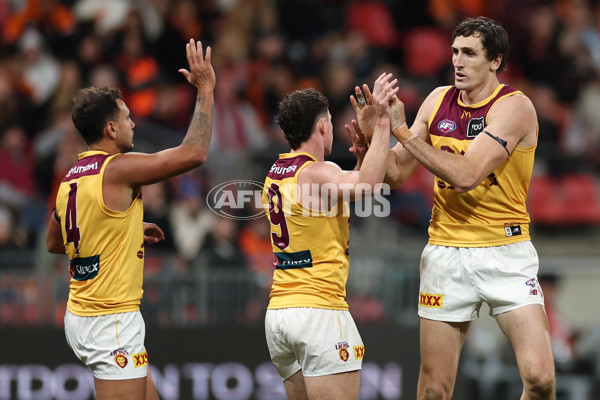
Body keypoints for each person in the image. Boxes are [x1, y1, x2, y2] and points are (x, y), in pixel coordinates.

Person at [352, 17, 556, 400]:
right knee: (433, 390)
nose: (457, 61)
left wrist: (401, 132)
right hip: (446, 254)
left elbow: (467, 175)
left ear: (495, 61)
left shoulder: (515, 108)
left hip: (506, 254)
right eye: (455, 52)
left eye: (469, 53)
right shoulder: (437, 99)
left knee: (541, 380)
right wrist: (375, 135)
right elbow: (395, 174)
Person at [45, 39, 215, 400]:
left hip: (82, 312)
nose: (133, 123)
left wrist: (120, 229)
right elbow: (194, 153)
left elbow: (55, 243)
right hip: (111, 320)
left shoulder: (72, 176)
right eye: (126, 117)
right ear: (110, 128)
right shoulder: (118, 169)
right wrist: (205, 89)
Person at [262, 74, 397, 400]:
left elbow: (345, 191)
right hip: (319, 310)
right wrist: (382, 125)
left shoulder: (275, 173)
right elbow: (368, 188)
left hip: (280, 313)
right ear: (322, 127)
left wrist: (364, 157)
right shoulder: (318, 173)